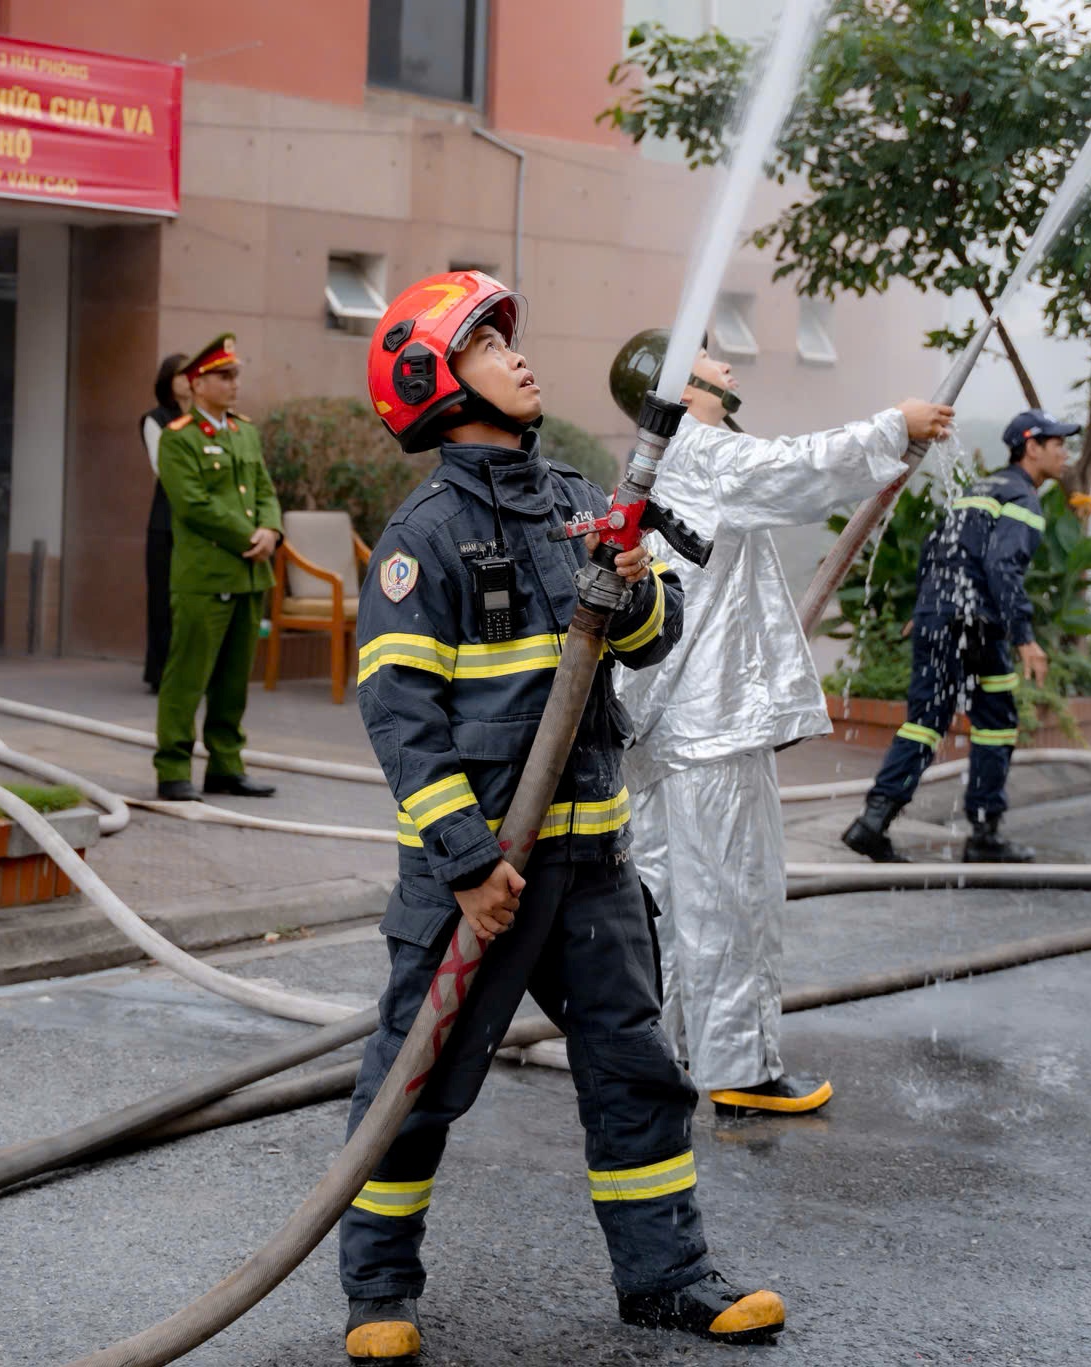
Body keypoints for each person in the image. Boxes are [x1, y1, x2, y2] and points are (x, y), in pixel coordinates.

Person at [337, 272, 785, 1361]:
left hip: (589, 853)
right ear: (433, 384)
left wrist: (631, 585)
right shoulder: (424, 536)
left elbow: (645, 640)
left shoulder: (572, 494)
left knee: (636, 1069)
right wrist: (462, 860)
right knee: (418, 1079)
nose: (519, 356)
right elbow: (397, 711)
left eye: (509, 340)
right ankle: (377, 1292)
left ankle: (667, 1277)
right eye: (489, 344)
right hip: (476, 874)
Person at [610, 328, 952, 1121]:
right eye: (707, 359)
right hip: (713, 723)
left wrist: (887, 447)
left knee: (664, 896)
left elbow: (781, 476)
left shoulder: (666, 455)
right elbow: (794, 470)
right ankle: (740, 1068)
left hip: (669, 723)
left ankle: (654, 1052)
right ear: (679, 384)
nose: (727, 365)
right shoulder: (697, 452)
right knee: (730, 897)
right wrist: (893, 427)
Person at [842, 407, 1074, 864]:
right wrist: (1025, 637)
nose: (1065, 454)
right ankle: (984, 832)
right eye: (1058, 444)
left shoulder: (978, 488)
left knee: (929, 719)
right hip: (976, 623)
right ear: (1032, 448)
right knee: (995, 721)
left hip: (942, 616)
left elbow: (938, 543)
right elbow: (1001, 567)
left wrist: (926, 606)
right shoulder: (1022, 499)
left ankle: (873, 820)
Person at [151, 335, 282, 801]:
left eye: (236, 375)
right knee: (187, 677)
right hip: (205, 576)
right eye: (224, 376)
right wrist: (250, 536)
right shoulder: (179, 437)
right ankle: (173, 769)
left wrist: (271, 529)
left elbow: (265, 489)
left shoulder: (243, 431)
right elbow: (192, 504)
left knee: (233, 681)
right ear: (196, 382)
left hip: (249, 575)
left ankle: (226, 765)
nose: (234, 384)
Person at [141, 353, 191, 693]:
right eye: (180, 374)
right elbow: (163, 469)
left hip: (197, 527)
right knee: (162, 599)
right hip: (165, 524)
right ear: (167, 381)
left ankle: (190, 672)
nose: (187, 379)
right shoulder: (155, 419)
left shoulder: (207, 419)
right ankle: (160, 673)